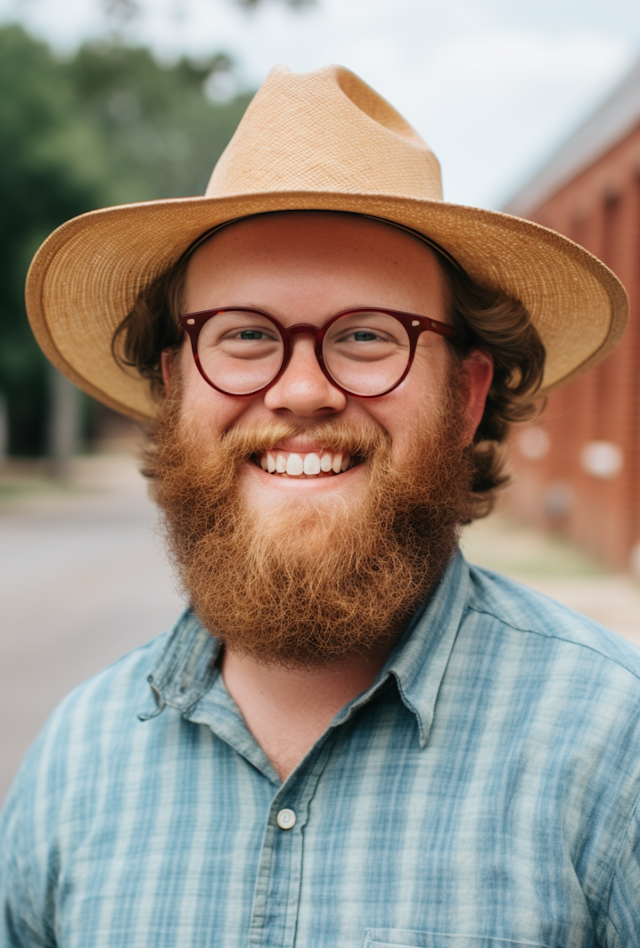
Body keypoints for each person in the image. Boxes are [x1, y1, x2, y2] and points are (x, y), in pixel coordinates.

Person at [0, 64, 637, 948]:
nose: (301, 390)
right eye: (246, 335)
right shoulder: (76, 760)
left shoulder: (618, 750)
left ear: (465, 396)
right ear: (176, 383)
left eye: (369, 336)